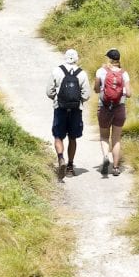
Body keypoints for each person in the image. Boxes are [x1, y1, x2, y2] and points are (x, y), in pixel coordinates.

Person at [46, 48, 90, 180]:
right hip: (76, 110)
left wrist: (57, 99)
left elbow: (49, 92)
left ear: (65, 58)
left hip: (60, 108)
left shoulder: (56, 71)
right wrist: (77, 101)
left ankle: (61, 158)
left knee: (58, 136)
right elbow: (86, 95)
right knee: (73, 138)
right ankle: (70, 167)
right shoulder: (82, 74)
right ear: (77, 59)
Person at [95, 48, 131, 177]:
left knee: (104, 136)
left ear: (109, 59)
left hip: (104, 107)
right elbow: (129, 93)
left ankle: (105, 157)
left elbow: (96, 90)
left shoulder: (101, 71)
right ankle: (115, 168)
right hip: (119, 108)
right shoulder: (124, 73)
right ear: (118, 59)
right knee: (116, 139)